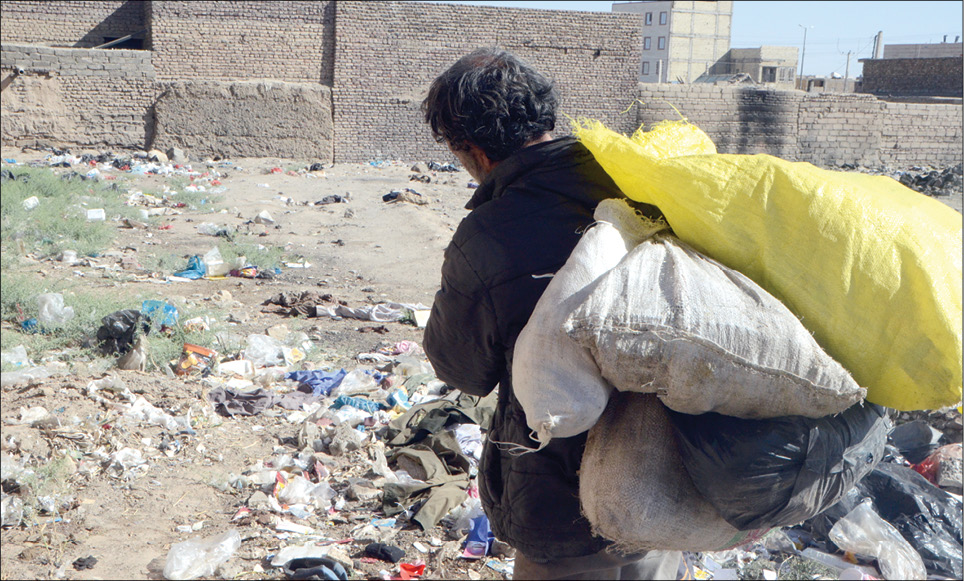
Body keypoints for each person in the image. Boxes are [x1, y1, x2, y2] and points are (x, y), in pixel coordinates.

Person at [420, 48, 681, 580]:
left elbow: (462, 369)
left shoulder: (491, 232)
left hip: (561, 504)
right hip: (666, 482)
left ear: (470, 149)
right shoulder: (643, 186)